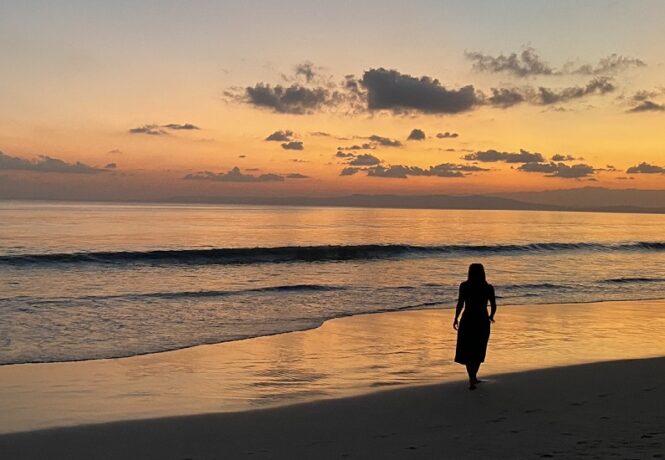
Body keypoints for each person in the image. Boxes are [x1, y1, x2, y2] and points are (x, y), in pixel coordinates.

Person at [453, 263, 496, 390]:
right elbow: (493, 305)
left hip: (467, 319)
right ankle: (474, 376)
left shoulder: (464, 286)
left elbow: (460, 303)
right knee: (478, 348)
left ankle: (471, 377)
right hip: (482, 319)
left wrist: (456, 317)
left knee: (467, 349)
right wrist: (491, 316)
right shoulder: (488, 288)